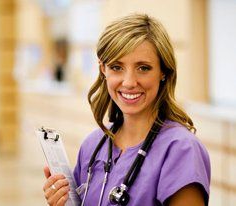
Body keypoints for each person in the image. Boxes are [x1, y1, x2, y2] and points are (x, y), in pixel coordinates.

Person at [42, 14, 211, 206]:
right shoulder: (92, 146)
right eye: (116, 67)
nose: (129, 82)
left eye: (143, 68)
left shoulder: (181, 150)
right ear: (103, 69)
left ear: (163, 71)